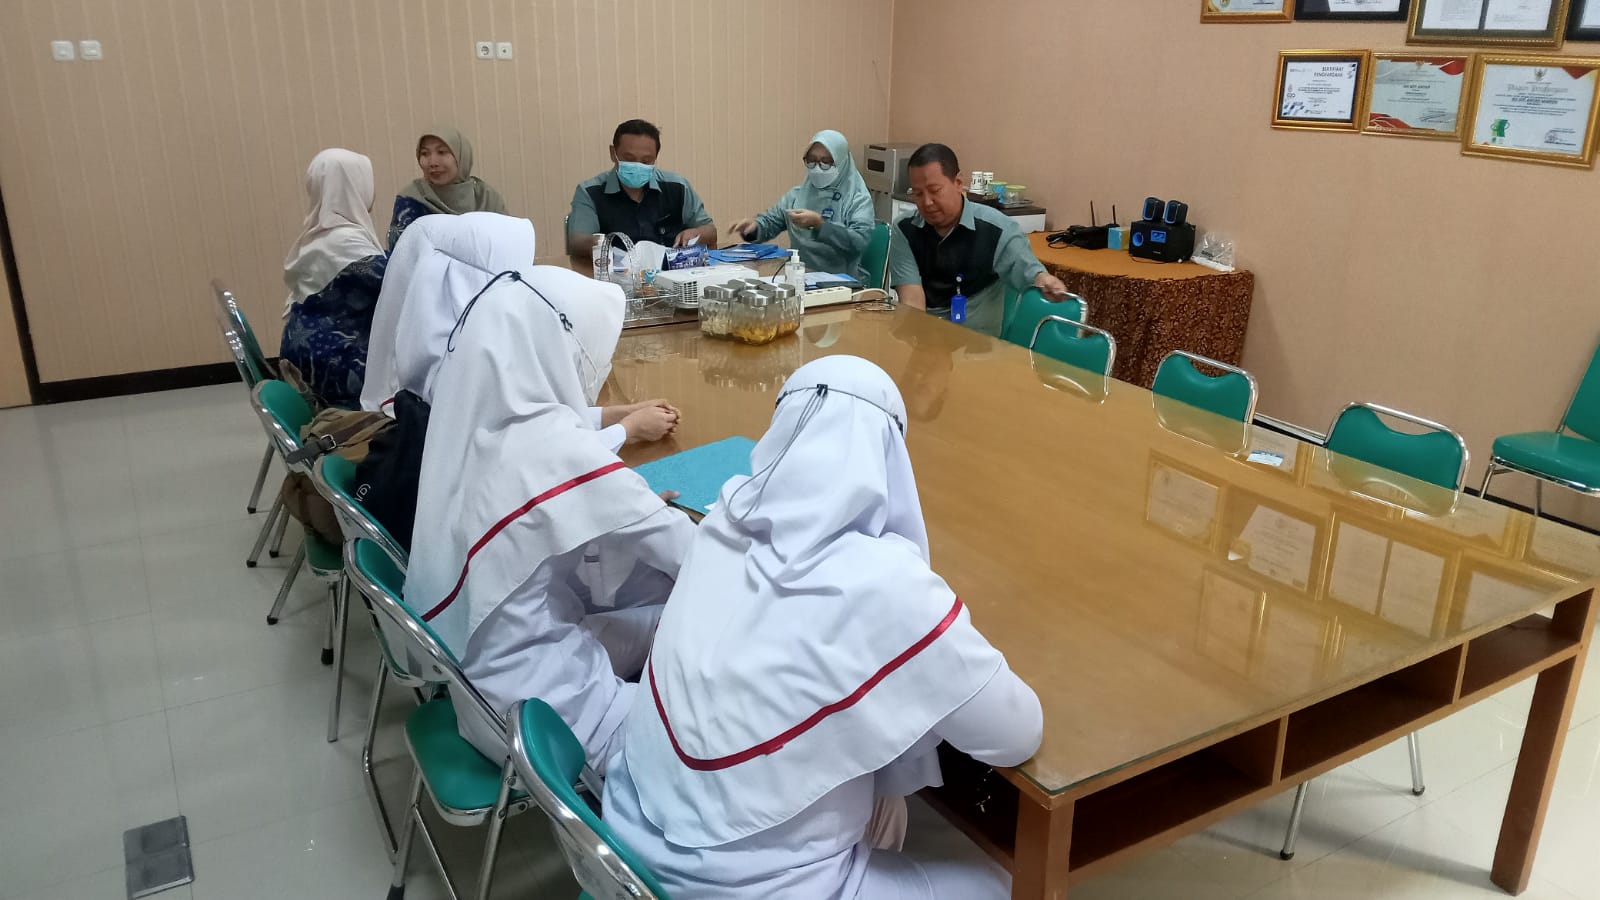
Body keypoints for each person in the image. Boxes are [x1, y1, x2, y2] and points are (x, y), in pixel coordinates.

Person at [603, 355, 1044, 899]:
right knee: (1006, 881)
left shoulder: (720, 523)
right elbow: (1016, 734)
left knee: (876, 805)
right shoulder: (889, 586)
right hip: (746, 889)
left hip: (624, 847)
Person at [406, 259, 697, 771]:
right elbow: (690, 553)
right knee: (728, 683)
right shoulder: (555, 448)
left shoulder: (472, 423)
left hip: (484, 682)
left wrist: (624, 505)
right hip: (551, 720)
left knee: (671, 616)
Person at [360, 212, 677, 451]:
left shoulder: (437, 354)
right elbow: (545, 462)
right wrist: (627, 430)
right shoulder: (464, 371)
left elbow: (533, 420)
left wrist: (613, 415)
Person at [888, 143, 1071, 338]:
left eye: (935, 190)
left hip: (978, 345)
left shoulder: (997, 229)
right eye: (918, 194)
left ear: (958, 183)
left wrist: (1044, 279)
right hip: (924, 338)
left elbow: (1028, 270)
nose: (927, 202)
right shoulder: (905, 229)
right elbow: (912, 303)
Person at [279, 148, 387, 410]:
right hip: (334, 369)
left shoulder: (319, 235)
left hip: (310, 356)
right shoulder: (345, 243)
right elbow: (395, 284)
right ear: (351, 186)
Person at [566, 119, 717, 271]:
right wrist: (603, 246)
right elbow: (577, 242)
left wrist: (696, 233)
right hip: (615, 278)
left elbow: (710, 231)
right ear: (613, 153)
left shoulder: (678, 187)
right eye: (629, 159)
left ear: (656, 157)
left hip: (672, 276)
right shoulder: (590, 192)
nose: (637, 166)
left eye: (646, 161)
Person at [726, 130, 875, 281]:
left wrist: (820, 225)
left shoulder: (857, 198)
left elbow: (859, 241)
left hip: (842, 282)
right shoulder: (797, 195)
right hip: (799, 278)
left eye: (826, 162)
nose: (817, 168)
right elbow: (771, 222)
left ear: (841, 162)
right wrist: (754, 228)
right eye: (811, 160)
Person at [387, 126, 507, 249]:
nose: (433, 162)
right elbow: (400, 254)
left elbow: (508, 244)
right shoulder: (411, 200)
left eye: (441, 152)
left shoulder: (486, 197)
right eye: (425, 154)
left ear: (461, 156)